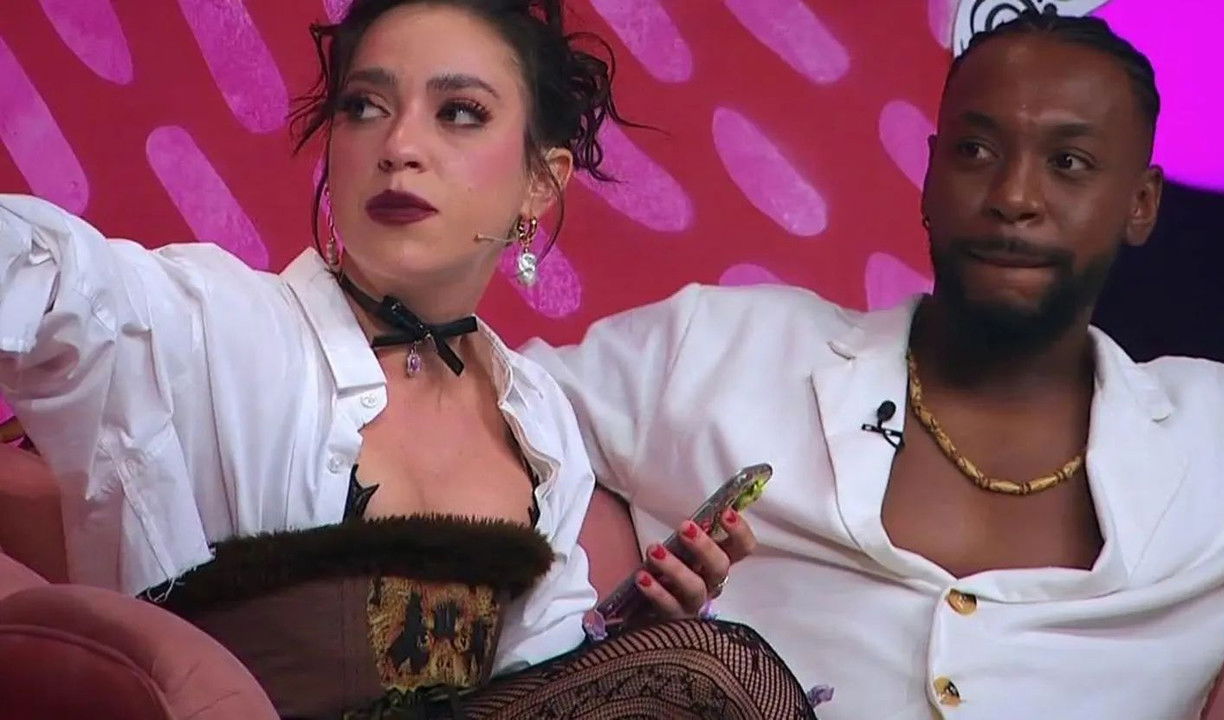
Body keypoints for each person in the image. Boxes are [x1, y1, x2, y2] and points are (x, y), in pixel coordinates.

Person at [0, 1, 818, 717]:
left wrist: (637, 645)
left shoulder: (538, 421)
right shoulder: (208, 318)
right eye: (364, 106)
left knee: (703, 669)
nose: (398, 145)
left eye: (459, 112)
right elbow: (42, 268)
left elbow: (534, 683)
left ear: (540, 182)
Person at [524, 9, 1224, 719]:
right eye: (975, 151)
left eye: (1069, 162)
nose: (1015, 196)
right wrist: (598, 623)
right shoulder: (722, 349)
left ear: (1141, 203)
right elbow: (487, 405)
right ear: (929, 173)